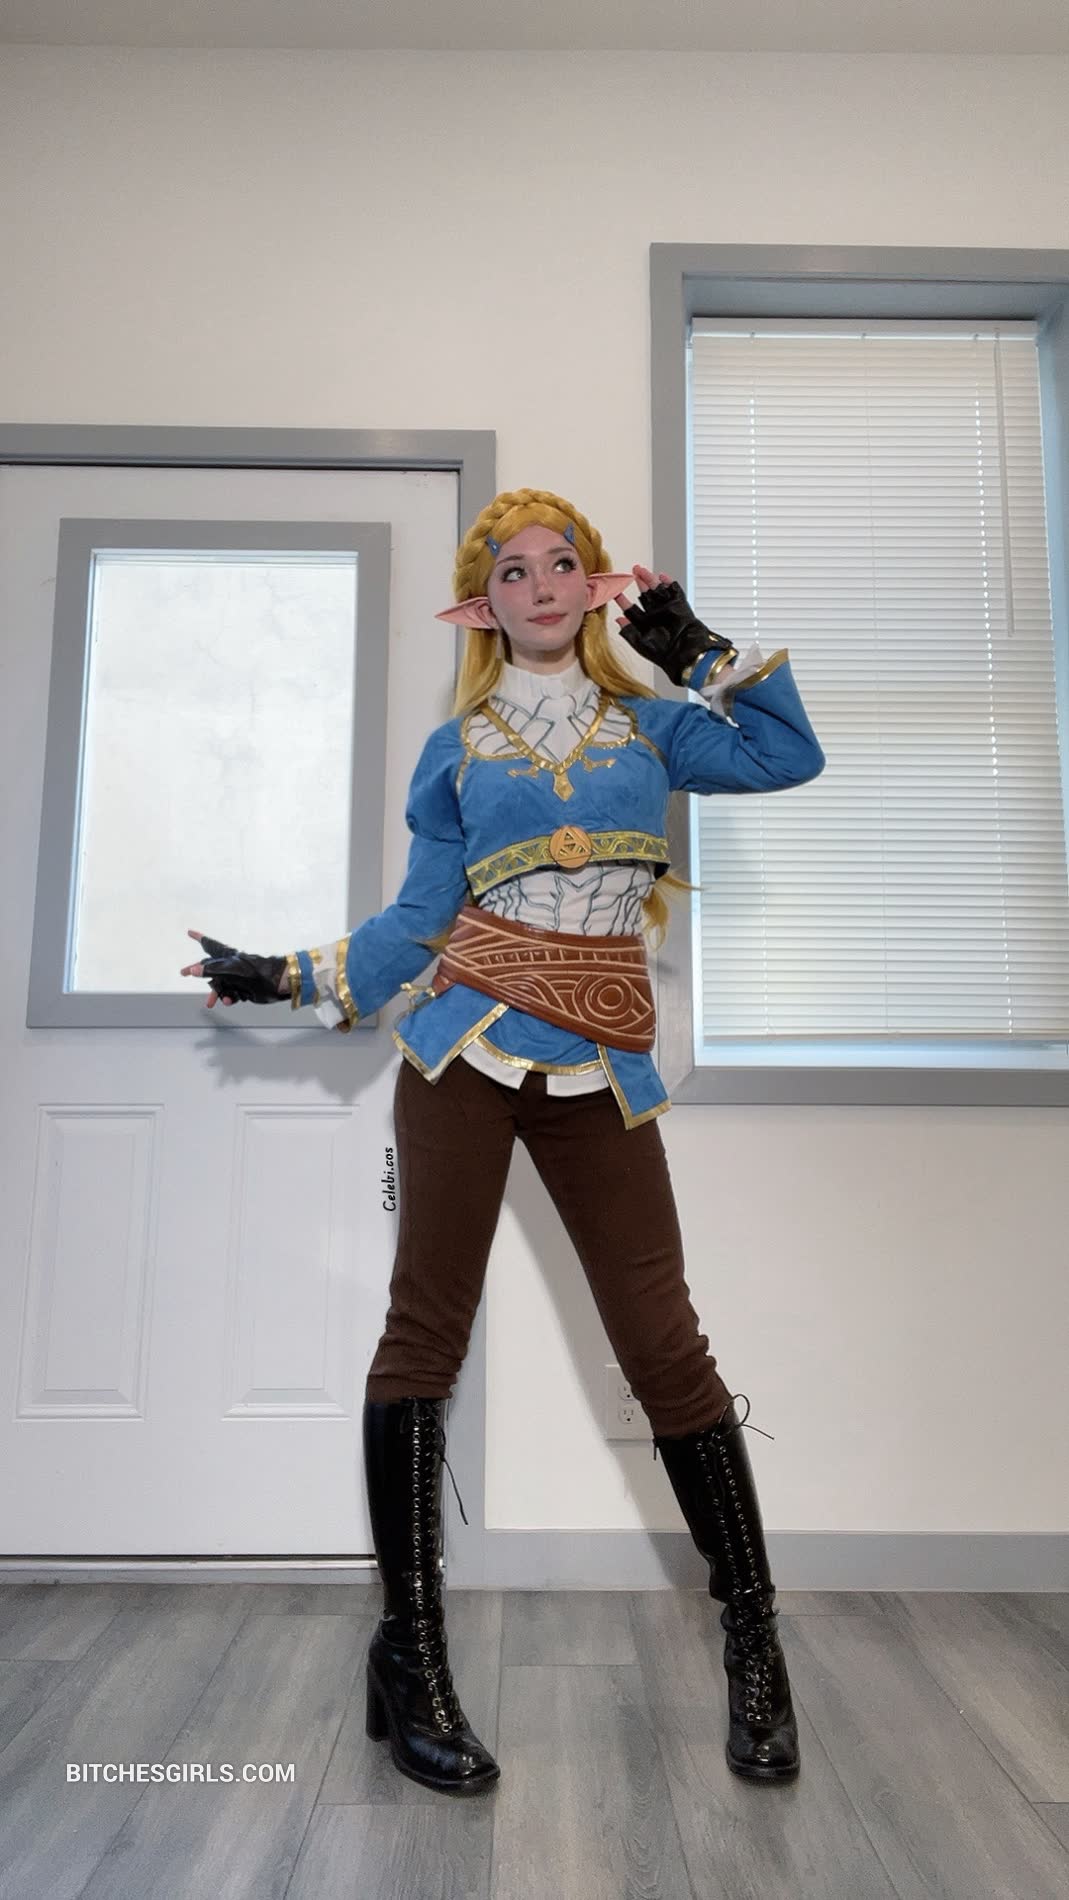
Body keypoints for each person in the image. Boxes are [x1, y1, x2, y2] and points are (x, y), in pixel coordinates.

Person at [180, 486, 825, 1799]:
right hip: (460, 1053)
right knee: (424, 1333)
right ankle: (410, 1656)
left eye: (560, 563)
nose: (538, 584)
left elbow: (783, 756)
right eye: (512, 569)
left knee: (663, 1345)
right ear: (481, 605)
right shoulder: (456, 751)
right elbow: (416, 923)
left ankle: (755, 1649)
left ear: (594, 587)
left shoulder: (653, 727)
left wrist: (695, 650)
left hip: (602, 1065)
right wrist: (290, 977)